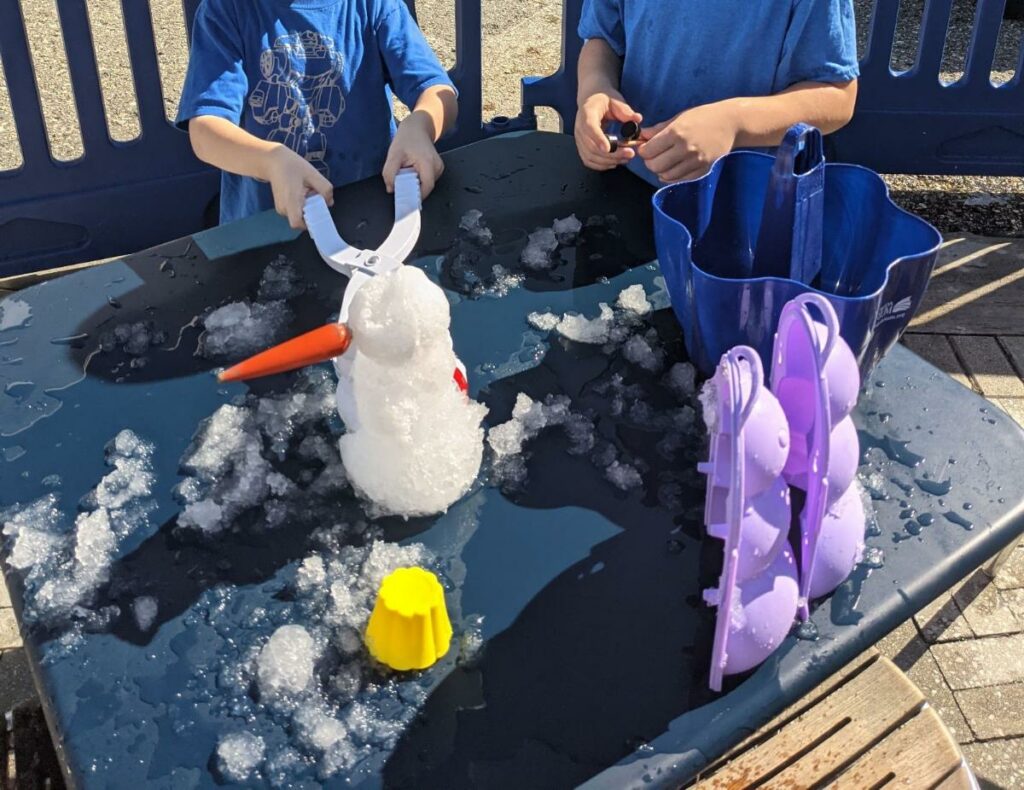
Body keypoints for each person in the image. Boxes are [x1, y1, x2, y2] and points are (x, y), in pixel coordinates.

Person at [176, 0, 457, 229]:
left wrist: (420, 126)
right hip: (267, 227)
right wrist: (271, 161)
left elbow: (436, 90)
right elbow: (205, 131)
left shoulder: (375, 6)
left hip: (371, 212)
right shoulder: (226, 12)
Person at [574, 0, 859, 184]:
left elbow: (837, 96)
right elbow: (603, 38)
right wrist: (595, 89)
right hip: (631, 180)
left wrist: (733, 123)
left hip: (748, 198)